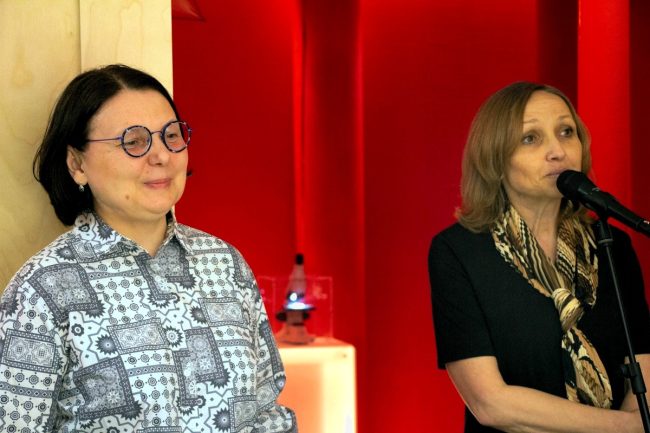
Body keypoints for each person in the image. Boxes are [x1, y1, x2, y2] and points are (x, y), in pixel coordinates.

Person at [0, 64, 297, 432]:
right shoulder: (42, 290)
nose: (161, 156)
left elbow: (267, 413)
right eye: (134, 141)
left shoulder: (223, 263)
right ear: (77, 164)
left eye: (171, 136)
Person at [428, 81, 650, 433]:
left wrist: (637, 419)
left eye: (566, 132)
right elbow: (491, 403)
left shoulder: (611, 244)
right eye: (531, 138)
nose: (558, 151)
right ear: (495, 158)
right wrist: (624, 428)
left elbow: (644, 371)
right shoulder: (459, 251)